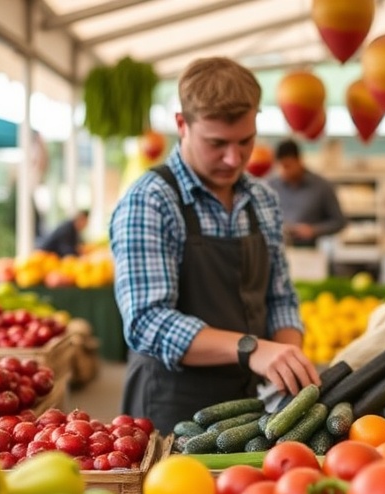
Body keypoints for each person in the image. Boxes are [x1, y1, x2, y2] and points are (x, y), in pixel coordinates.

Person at [109, 57, 319, 434]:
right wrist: (253, 349)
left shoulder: (262, 199)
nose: (233, 158)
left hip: (248, 404)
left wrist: (288, 359)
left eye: (245, 142)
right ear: (181, 125)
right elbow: (146, 321)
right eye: (216, 143)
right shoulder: (151, 200)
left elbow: (280, 298)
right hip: (169, 405)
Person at [266, 139, 346, 247]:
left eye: (287, 166)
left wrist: (314, 230)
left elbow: (339, 222)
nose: (284, 171)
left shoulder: (322, 186)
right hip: (277, 249)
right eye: (280, 166)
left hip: (310, 250)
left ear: (299, 160)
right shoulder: (272, 186)